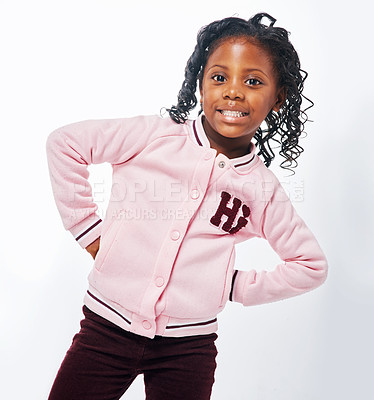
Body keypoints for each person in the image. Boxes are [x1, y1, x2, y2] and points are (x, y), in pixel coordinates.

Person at [46, 12, 328, 400]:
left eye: (253, 81)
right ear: (199, 86)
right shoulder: (153, 137)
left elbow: (310, 266)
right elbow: (65, 144)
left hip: (189, 348)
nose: (233, 91)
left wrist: (232, 285)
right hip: (106, 326)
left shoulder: (262, 189)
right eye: (218, 77)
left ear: (277, 99)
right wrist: (90, 232)